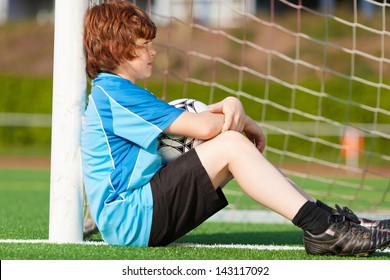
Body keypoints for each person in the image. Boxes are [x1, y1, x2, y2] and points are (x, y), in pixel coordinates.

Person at [81, 0, 390, 256]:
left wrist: (235, 114)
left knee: (231, 143)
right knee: (229, 144)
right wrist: (235, 107)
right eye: (144, 44)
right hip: (132, 218)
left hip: (136, 214)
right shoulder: (115, 93)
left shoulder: (115, 92)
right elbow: (203, 127)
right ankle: (325, 228)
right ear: (117, 49)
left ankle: (330, 223)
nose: (152, 52)